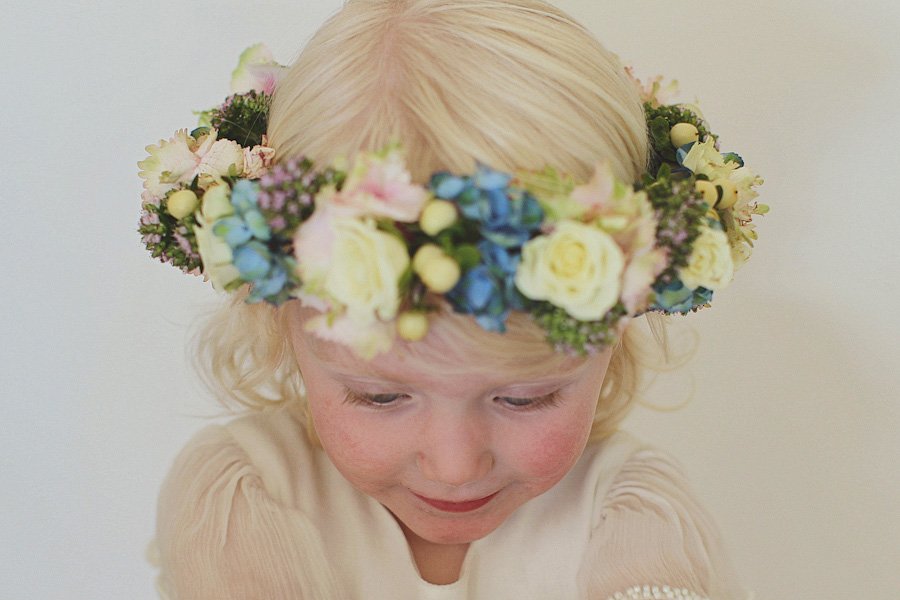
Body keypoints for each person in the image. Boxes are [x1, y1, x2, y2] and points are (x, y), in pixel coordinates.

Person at [139, 0, 766, 598]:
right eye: (379, 394)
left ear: (622, 324)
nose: (455, 466)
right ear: (279, 319)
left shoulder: (630, 510)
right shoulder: (248, 491)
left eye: (527, 396)